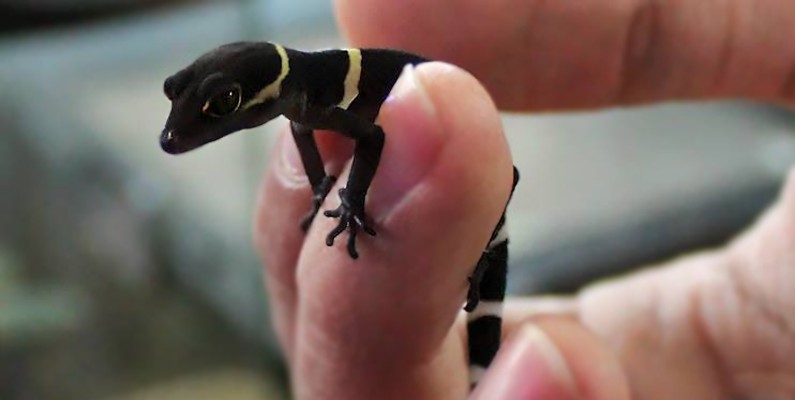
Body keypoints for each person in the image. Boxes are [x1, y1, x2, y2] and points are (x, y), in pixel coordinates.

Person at [254, 0, 795, 398]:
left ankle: (481, 349)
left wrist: (347, 199)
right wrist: (328, 189)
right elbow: (314, 136)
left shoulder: (312, 95)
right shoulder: (304, 104)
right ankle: (480, 363)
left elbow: (370, 139)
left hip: (479, 179)